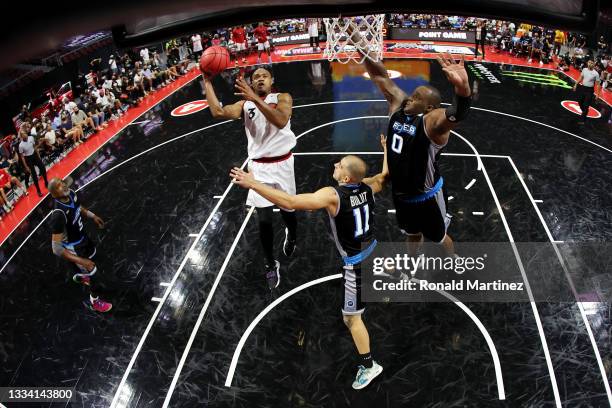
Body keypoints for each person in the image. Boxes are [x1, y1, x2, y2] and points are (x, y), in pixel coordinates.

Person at [230, 137, 389, 389]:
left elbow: (290, 203)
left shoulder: (332, 195)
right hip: (372, 250)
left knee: (351, 319)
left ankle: (369, 366)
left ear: (347, 178)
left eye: (341, 165)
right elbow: (384, 176)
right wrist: (385, 150)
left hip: (356, 265)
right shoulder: (368, 187)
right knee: (358, 300)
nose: (336, 164)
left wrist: (254, 183)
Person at [360, 42, 471, 260]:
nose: (411, 98)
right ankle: (412, 261)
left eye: (418, 98)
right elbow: (380, 76)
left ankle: (451, 259)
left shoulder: (432, 122)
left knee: (439, 237)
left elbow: (457, 113)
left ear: (429, 108)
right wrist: (359, 44)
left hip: (427, 196)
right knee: (412, 234)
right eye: (413, 94)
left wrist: (463, 89)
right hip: (402, 195)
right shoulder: (398, 107)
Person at [204, 67, 297, 289]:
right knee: (263, 219)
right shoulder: (244, 105)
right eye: (256, 77)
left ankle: (292, 235)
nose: (260, 79)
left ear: (272, 80)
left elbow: (281, 120)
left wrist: (254, 98)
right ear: (251, 84)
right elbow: (217, 111)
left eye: (264, 76)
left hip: (284, 165)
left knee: (289, 211)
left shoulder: (282, 97)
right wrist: (207, 82)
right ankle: (269, 263)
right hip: (260, 169)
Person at [48, 178, 112, 312]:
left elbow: (78, 207)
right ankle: (94, 301)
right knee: (93, 270)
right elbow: (56, 248)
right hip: (74, 248)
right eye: (59, 186)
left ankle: (79, 275)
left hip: (83, 237)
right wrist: (82, 261)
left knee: (93, 259)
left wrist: (92, 216)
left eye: (62, 182)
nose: (63, 186)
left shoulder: (71, 193)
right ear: (54, 194)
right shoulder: (58, 215)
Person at [18, 130, 48, 197]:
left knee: (42, 168)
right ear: (21, 136)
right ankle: (38, 191)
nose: (24, 135)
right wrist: (26, 167)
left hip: (34, 155)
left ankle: (46, 182)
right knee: (34, 175)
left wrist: (38, 155)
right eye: (23, 134)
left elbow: (34, 147)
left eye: (25, 133)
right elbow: (22, 157)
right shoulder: (20, 145)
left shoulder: (31, 137)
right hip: (28, 159)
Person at [573, 59, 602, 125]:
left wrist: (597, 94)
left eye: (592, 63)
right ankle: (585, 112)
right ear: (587, 63)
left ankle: (582, 120)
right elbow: (581, 77)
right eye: (589, 62)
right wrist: (576, 84)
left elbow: (598, 85)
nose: (590, 64)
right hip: (583, 88)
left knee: (586, 105)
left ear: (594, 64)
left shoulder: (596, 74)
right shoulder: (584, 70)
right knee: (580, 102)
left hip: (589, 90)